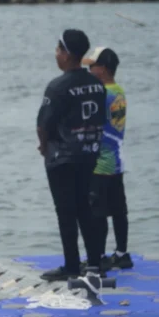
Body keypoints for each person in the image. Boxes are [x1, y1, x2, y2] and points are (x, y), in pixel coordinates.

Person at [36, 29, 108, 283]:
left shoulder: (58, 86)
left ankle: (71, 266)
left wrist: (44, 147)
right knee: (86, 209)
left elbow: (43, 124)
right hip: (89, 153)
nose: (56, 54)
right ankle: (95, 264)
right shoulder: (97, 84)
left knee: (66, 212)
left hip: (63, 157)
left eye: (58, 49)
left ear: (67, 54)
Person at [83, 46, 133, 271]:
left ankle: (100, 255)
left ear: (102, 69)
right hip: (117, 159)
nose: (89, 70)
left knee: (98, 211)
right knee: (119, 209)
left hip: (100, 163)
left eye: (92, 66)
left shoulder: (102, 94)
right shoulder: (119, 91)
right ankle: (122, 253)